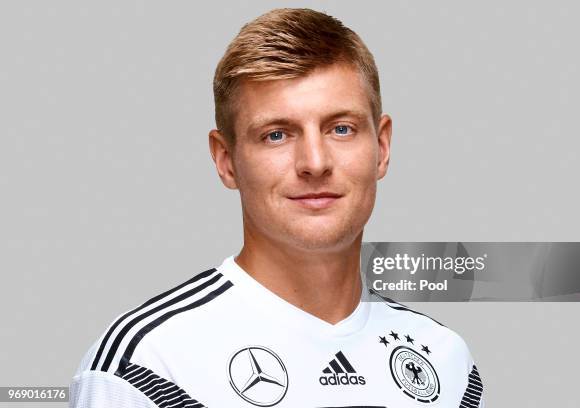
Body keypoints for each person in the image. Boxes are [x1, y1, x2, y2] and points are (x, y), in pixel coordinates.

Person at [69, 8, 484, 407]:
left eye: (341, 128)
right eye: (276, 135)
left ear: (381, 146)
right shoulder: (149, 365)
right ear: (226, 159)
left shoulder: (446, 362)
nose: (315, 162)